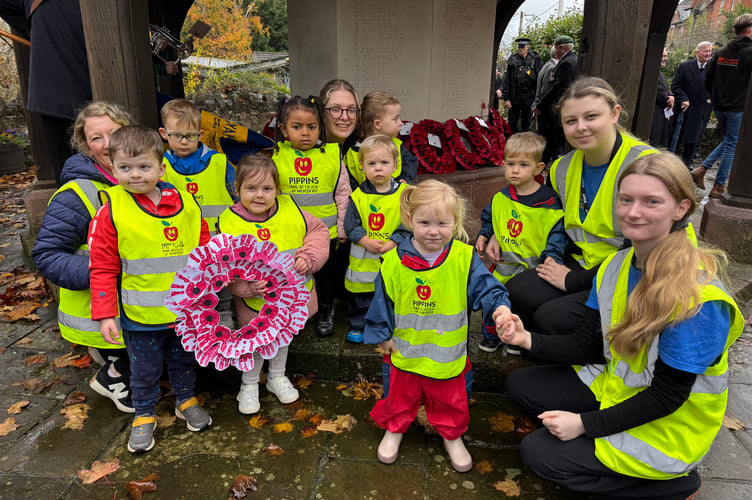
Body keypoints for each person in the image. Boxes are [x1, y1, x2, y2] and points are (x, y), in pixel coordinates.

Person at [502, 152, 743, 499]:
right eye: (626, 199)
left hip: (668, 429)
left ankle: (675, 485)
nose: (633, 212)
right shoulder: (618, 263)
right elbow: (588, 344)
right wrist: (527, 339)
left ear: (681, 209)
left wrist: (582, 425)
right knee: (522, 385)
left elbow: (666, 397)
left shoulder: (698, 299)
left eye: (651, 201)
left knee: (540, 454)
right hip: (619, 389)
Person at [363, 180, 513, 473]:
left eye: (443, 223)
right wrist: (382, 337)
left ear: (455, 222)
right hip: (406, 351)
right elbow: (381, 302)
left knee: (449, 399)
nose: (434, 230)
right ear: (409, 220)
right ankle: (395, 428)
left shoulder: (463, 257)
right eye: (424, 222)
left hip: (447, 355)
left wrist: (501, 310)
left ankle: (451, 434)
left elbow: (488, 289)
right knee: (400, 396)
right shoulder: (392, 262)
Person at [89, 125, 212, 453]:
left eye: (144, 167)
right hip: (141, 316)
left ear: (161, 166)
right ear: (113, 168)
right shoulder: (111, 210)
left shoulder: (185, 201)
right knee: (144, 369)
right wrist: (105, 315)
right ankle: (143, 414)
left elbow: (202, 243)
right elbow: (101, 267)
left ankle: (185, 400)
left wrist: (209, 284)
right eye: (125, 168)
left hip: (185, 312)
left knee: (185, 360)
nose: (135, 175)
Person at [505, 77, 658, 337]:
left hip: (638, 272)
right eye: (571, 121)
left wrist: (574, 281)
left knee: (551, 318)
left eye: (591, 116)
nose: (581, 128)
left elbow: (646, 248)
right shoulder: (562, 168)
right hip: (583, 262)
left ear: (614, 114)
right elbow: (548, 218)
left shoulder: (647, 165)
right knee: (516, 289)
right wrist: (498, 233)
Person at [31, 102, 133, 413]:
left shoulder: (145, 178)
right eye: (96, 138)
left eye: (114, 134)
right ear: (85, 145)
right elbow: (47, 254)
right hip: (102, 310)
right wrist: (102, 271)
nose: (107, 145)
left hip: (136, 302)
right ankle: (114, 373)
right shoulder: (78, 194)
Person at [217, 154, 330, 414]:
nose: (260, 195)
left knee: (282, 338)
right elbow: (223, 268)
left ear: (277, 189)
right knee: (253, 341)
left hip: (291, 298)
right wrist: (245, 287)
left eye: (267, 188)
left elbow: (319, 231)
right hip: (253, 301)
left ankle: (277, 376)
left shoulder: (292, 210)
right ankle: (249, 383)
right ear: (237, 189)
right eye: (251, 188)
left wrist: (308, 258)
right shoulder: (227, 222)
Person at [475, 132, 566, 354]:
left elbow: (557, 235)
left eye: (523, 165)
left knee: (519, 306)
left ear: (538, 168)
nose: (515, 170)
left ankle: (514, 338)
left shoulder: (550, 205)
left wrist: (552, 258)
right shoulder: (501, 197)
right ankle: (491, 335)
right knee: (492, 302)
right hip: (504, 264)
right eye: (510, 164)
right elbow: (491, 217)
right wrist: (484, 235)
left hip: (531, 267)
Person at [271, 95, 351, 337]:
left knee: (324, 276)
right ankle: (296, 311)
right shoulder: (276, 156)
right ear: (284, 129)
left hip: (326, 234)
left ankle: (326, 309)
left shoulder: (331, 156)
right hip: (291, 233)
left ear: (321, 128)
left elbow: (343, 193)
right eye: (297, 127)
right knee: (294, 274)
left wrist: (343, 228)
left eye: (312, 127)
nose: (305, 133)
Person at [343, 135, 410, 343]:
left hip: (392, 255)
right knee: (361, 295)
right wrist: (364, 240)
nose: (378, 168)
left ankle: (386, 326)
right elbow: (350, 225)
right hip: (364, 259)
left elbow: (408, 224)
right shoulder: (358, 195)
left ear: (395, 165)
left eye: (384, 163)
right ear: (362, 166)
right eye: (372, 163)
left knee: (390, 295)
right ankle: (358, 324)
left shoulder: (404, 194)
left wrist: (394, 241)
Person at [693, 14, 752, 198]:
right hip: (738, 107)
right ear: (749, 30)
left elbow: (708, 80)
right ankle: (718, 185)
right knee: (732, 143)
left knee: (729, 141)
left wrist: (716, 99)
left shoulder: (721, 52)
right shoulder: (750, 52)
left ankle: (701, 169)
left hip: (719, 107)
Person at [159, 98, 236, 233]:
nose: (184, 142)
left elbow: (241, 199)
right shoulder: (159, 167)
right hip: (182, 244)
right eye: (176, 135)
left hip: (220, 244)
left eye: (191, 136)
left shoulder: (220, 163)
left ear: (200, 135)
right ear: (164, 134)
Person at [343, 91, 418, 189]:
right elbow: (347, 180)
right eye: (395, 119)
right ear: (377, 124)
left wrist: (405, 178)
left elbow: (411, 163)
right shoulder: (352, 153)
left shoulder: (398, 146)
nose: (401, 123)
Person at [669, 41, 713, 169]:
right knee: (676, 134)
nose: (708, 54)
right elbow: (675, 85)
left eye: (710, 51)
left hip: (701, 108)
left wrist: (710, 99)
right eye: (705, 51)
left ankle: (687, 162)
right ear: (697, 52)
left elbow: (718, 86)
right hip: (684, 107)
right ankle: (671, 160)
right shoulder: (685, 66)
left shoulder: (713, 69)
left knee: (694, 136)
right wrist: (683, 98)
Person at [535, 35, 578, 162]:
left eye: (556, 47)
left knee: (555, 139)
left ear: (562, 47)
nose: (555, 51)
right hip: (561, 107)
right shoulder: (572, 60)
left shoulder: (567, 63)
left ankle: (552, 163)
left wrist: (541, 105)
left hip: (559, 107)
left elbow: (558, 87)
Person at [501, 38, 542, 133]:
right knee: (512, 121)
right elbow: (507, 79)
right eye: (519, 47)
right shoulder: (513, 59)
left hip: (529, 95)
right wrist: (506, 98)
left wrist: (538, 98)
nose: (520, 49)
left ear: (528, 47)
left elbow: (540, 77)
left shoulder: (535, 58)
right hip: (515, 95)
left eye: (523, 47)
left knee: (526, 121)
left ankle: (524, 141)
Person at [533, 46, 559, 162]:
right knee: (547, 137)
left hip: (541, 106)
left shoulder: (547, 65)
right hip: (545, 108)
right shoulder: (552, 68)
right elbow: (545, 90)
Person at [649, 48, 674, 147]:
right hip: (654, 113)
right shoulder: (652, 72)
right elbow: (656, 90)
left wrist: (671, 96)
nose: (665, 58)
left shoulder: (658, 72)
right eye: (663, 56)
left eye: (666, 56)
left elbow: (666, 88)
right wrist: (667, 99)